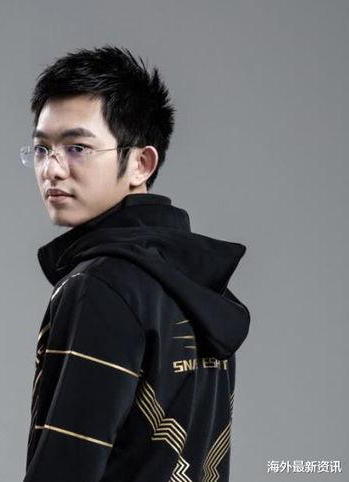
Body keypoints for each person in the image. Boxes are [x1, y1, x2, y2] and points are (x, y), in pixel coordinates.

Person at [20, 45, 250, 482]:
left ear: (141, 163)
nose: (52, 169)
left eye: (77, 147)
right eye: (42, 149)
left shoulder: (99, 286)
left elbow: (67, 465)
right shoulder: (196, 284)